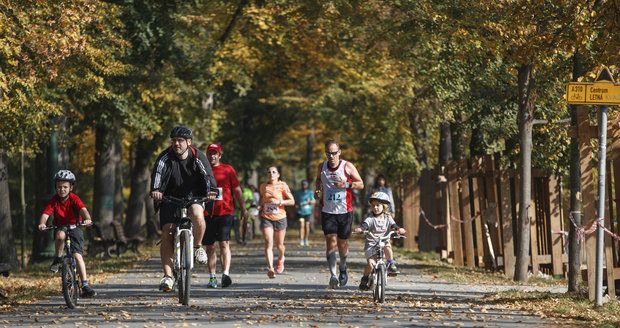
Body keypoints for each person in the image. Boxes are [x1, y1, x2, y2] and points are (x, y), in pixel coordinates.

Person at [150, 126, 217, 292]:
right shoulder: (165, 157)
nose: (176, 144)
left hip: (194, 195)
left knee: (197, 214)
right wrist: (156, 190)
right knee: (167, 231)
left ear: (189, 142)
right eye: (174, 140)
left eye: (180, 140)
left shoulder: (198, 156)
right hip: (170, 197)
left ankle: (197, 247)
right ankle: (168, 276)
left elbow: (208, 175)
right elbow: (157, 174)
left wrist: (211, 191)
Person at [37, 170, 96, 297]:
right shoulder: (54, 200)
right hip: (61, 227)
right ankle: (58, 258)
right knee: (60, 236)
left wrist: (87, 219)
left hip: (75, 227)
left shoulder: (74, 198)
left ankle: (85, 284)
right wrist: (42, 223)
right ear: (56, 188)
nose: (62, 189)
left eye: (65, 187)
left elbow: (83, 210)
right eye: (59, 187)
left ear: (71, 188)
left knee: (77, 256)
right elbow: (46, 214)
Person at [315, 140, 364, 288]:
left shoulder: (347, 166)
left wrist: (347, 184)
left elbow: (361, 184)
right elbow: (318, 181)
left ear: (339, 152)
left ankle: (343, 266)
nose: (331, 156)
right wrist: (317, 190)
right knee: (331, 240)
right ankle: (333, 275)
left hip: (344, 211)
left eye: (334, 153)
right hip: (328, 211)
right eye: (328, 153)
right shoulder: (321, 167)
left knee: (342, 244)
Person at [204, 143, 247, 288]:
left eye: (215, 153)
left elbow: (237, 190)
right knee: (209, 246)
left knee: (224, 243)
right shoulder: (202, 170)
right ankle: (212, 277)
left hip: (225, 212)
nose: (212, 156)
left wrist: (243, 208)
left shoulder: (228, 169)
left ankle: (226, 274)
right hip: (207, 213)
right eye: (210, 153)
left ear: (220, 155)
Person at [354, 191, 406, 291]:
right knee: (371, 264)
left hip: (383, 241)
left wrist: (399, 229)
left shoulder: (388, 217)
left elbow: (393, 225)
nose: (375, 208)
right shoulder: (370, 218)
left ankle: (391, 263)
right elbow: (365, 225)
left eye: (378, 205)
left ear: (384, 206)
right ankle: (365, 278)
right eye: (373, 205)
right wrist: (361, 229)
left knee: (387, 246)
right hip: (371, 243)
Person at [259, 166, 295, 278]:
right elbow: (262, 199)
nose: (271, 173)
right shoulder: (263, 186)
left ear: (278, 174)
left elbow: (292, 201)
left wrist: (279, 202)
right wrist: (259, 206)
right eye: (269, 172)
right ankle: (270, 268)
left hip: (280, 217)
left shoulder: (283, 185)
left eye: (274, 172)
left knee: (279, 245)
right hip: (266, 217)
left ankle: (281, 258)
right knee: (268, 242)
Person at [294, 180, 315, 247]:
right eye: (303, 184)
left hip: (308, 212)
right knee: (301, 225)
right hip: (300, 211)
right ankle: (301, 239)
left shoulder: (310, 192)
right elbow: (295, 202)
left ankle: (306, 239)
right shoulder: (298, 192)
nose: (304, 185)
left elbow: (314, 201)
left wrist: (309, 202)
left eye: (305, 184)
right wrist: (296, 205)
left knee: (307, 225)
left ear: (307, 185)